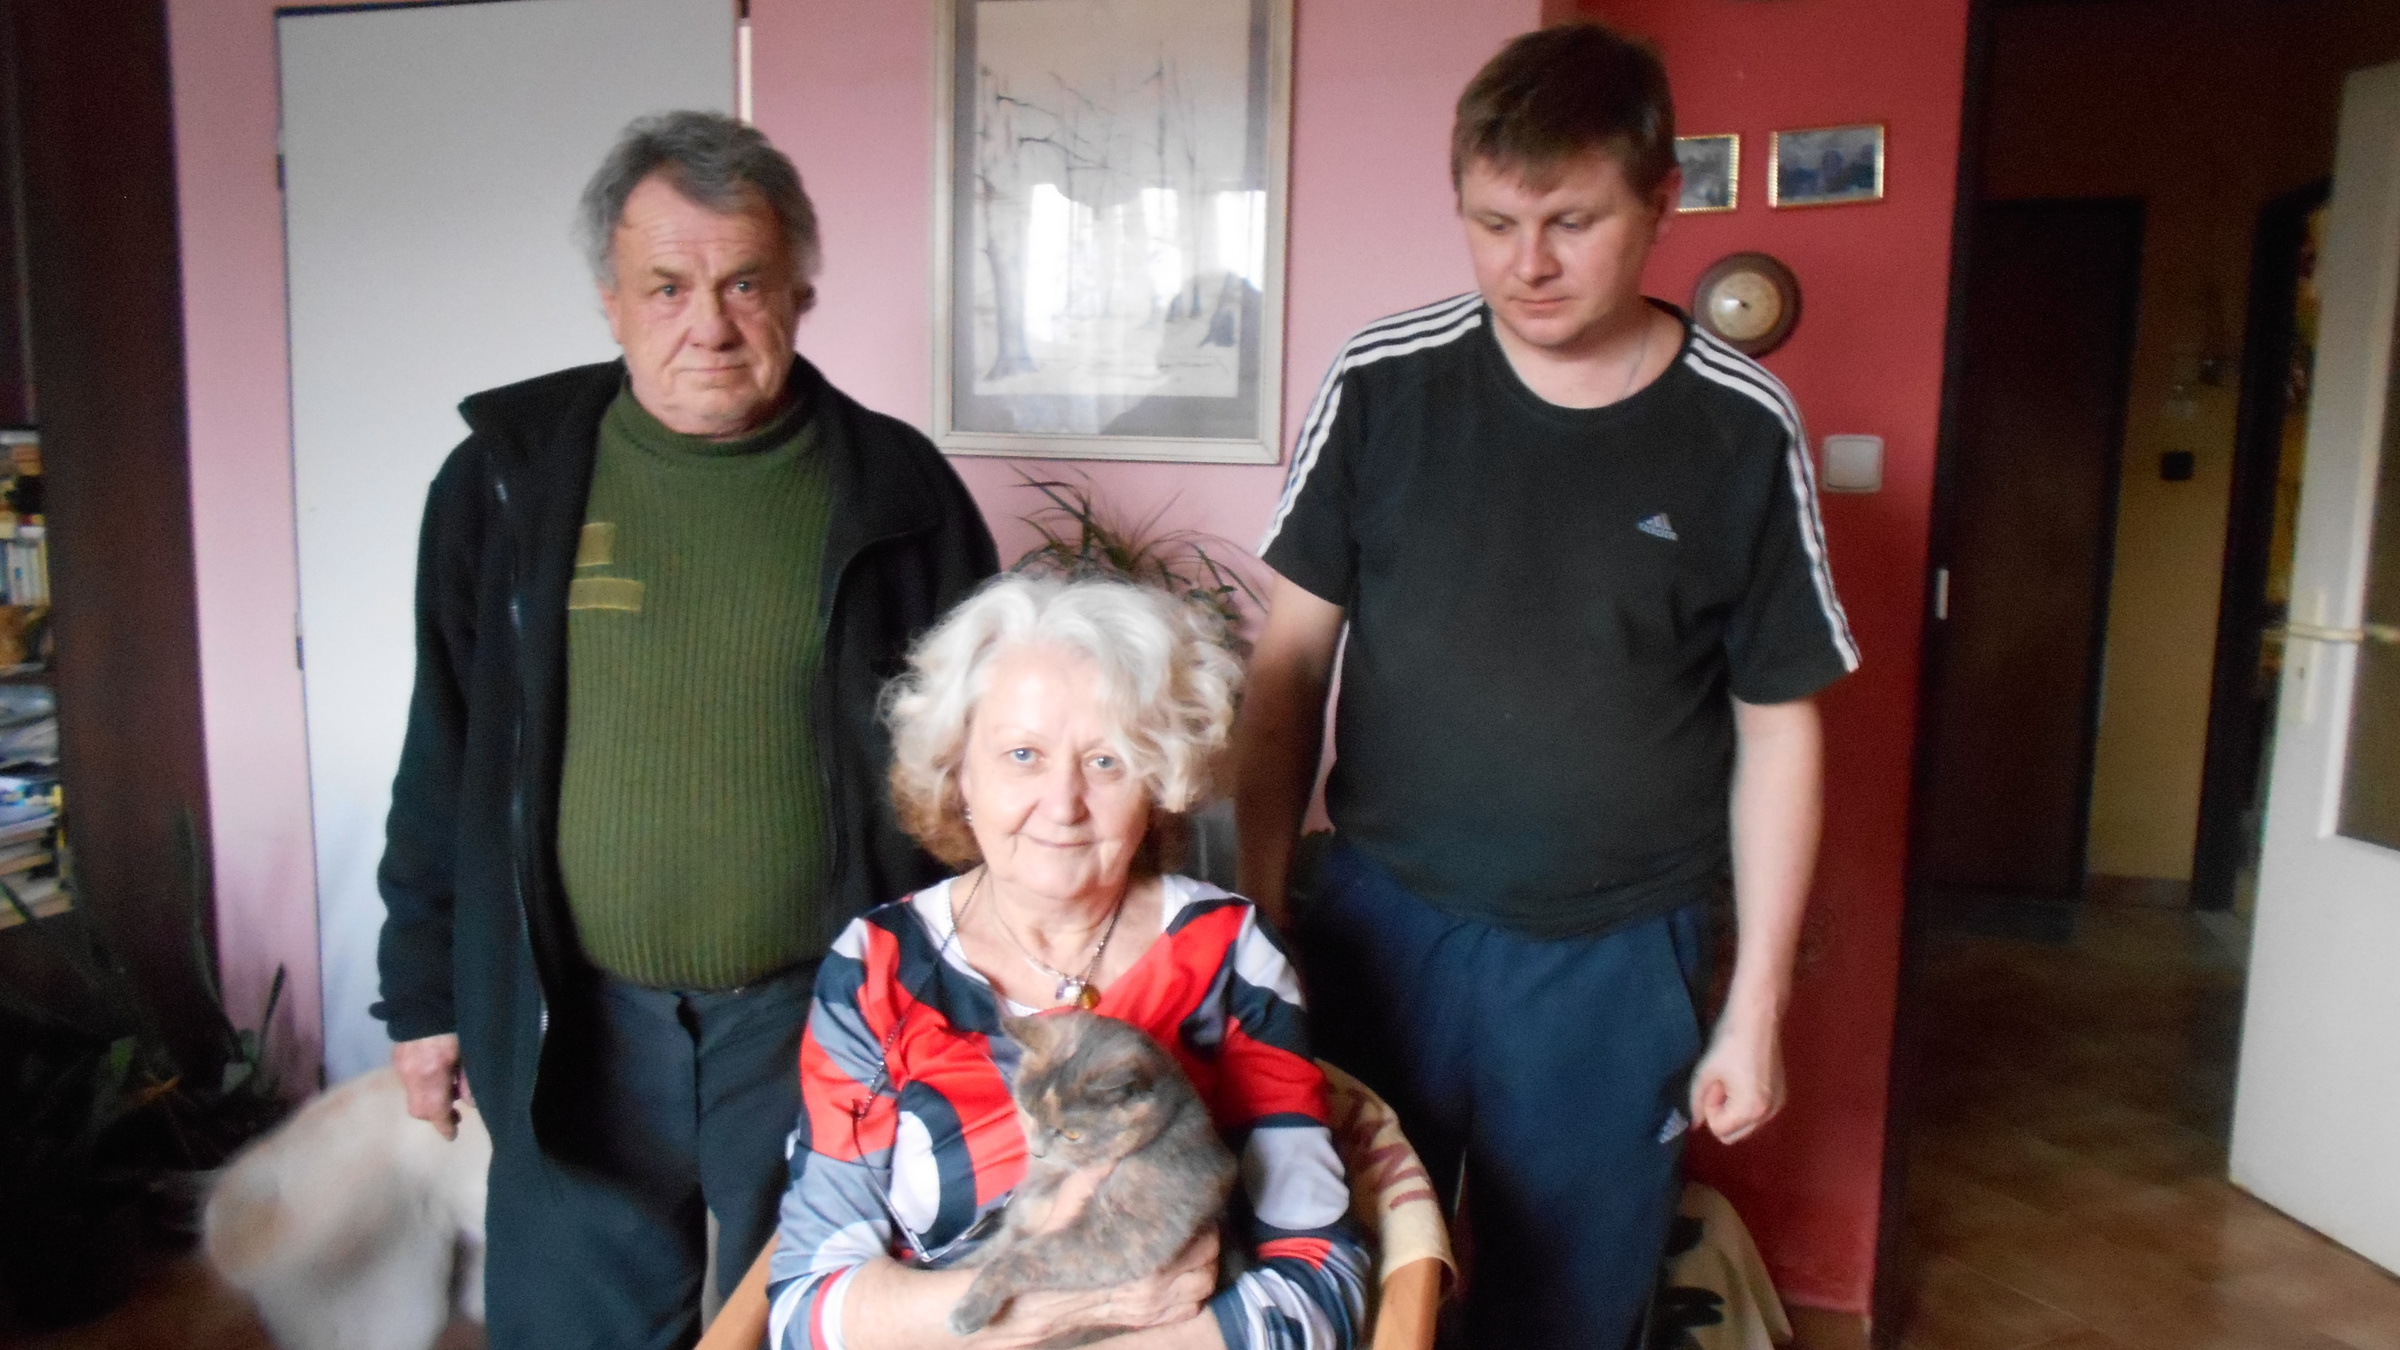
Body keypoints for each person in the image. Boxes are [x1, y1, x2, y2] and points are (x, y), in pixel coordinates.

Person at [1232, 22, 1858, 1350]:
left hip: (1618, 954)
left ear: (1662, 200)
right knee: (1340, 1279)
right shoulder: (1385, 382)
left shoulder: (1741, 425)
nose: (1528, 263)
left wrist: (1756, 1010)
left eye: (1572, 221)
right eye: (1494, 223)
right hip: (1384, 924)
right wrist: (1264, 897)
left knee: (1570, 1310)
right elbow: (1287, 666)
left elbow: (1781, 731)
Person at [373, 110, 998, 1347]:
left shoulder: (903, 492)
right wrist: (423, 999)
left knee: (815, 1323)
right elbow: (444, 748)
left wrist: (982, 995)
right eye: (666, 286)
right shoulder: (503, 482)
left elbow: (974, 774)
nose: (707, 324)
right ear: (610, 301)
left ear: (800, 294)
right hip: (575, 1020)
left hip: (824, 1018)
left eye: (744, 283)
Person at [767, 576, 1369, 1349]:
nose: (1063, 804)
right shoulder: (876, 967)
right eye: (1022, 755)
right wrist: (1041, 1313)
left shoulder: (1230, 951)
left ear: (1157, 782)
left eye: (1107, 762)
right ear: (960, 773)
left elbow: (1321, 1278)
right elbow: (805, 1309)